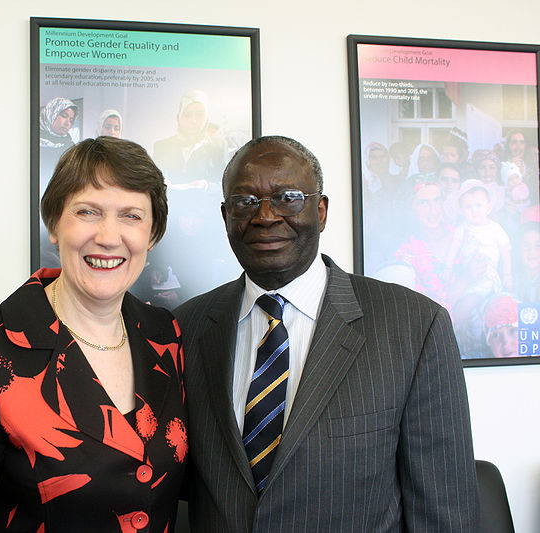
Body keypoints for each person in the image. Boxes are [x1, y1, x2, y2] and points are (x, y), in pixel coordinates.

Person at [174, 135, 478, 532]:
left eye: (288, 197)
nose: (265, 215)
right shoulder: (186, 328)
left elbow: (445, 513)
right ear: (225, 216)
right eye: (245, 201)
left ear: (321, 211)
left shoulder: (415, 326)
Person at [0, 137, 187, 532]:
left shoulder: (166, 334)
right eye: (87, 211)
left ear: (152, 235)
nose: (109, 237)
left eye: (131, 216)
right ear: (53, 224)